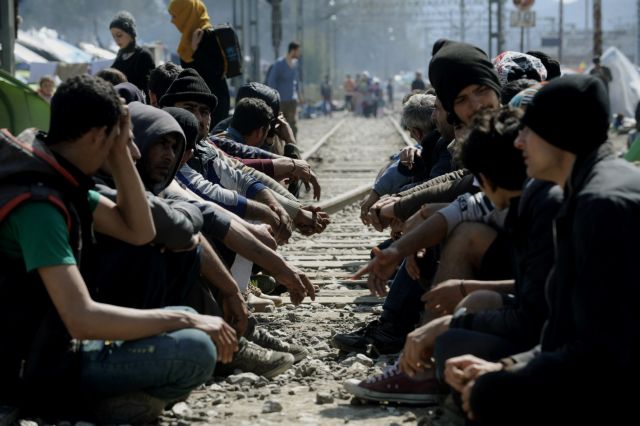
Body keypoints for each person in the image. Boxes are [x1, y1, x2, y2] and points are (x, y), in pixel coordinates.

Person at [0, 75, 235, 423]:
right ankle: (81, 405)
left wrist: (120, 154)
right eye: (126, 141)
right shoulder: (40, 208)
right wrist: (185, 318)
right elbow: (80, 319)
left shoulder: (59, 178)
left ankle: (99, 402)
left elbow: (140, 232)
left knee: (182, 317)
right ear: (97, 136)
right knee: (195, 348)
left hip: (50, 343)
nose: (136, 152)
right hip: (32, 363)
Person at [445, 74, 640, 425]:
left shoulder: (600, 206)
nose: (518, 143)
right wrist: (505, 366)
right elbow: (568, 329)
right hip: (604, 366)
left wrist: (501, 382)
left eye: (527, 131)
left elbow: (599, 354)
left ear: (558, 135)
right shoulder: (587, 188)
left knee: (488, 393)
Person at [168, 0, 231, 127]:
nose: (172, 21)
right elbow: (187, 71)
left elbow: (213, 72)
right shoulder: (188, 37)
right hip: (198, 103)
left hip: (213, 104)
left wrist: (196, 52)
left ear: (187, 14)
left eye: (175, 16)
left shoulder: (208, 35)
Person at [109, 11, 155, 95]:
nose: (116, 40)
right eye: (114, 36)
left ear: (131, 34)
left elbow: (148, 88)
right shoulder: (121, 54)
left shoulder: (143, 56)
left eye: (119, 35)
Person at [266, 41, 303, 136]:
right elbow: (271, 81)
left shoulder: (295, 64)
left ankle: (292, 146)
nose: (299, 54)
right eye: (298, 51)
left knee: (293, 125)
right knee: (280, 125)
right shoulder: (279, 64)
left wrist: (299, 95)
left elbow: (296, 81)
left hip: (292, 100)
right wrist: (274, 97)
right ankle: (281, 148)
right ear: (292, 51)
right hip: (281, 101)